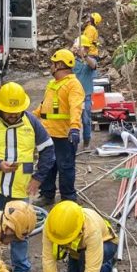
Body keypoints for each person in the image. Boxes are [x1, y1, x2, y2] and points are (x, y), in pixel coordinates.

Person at [0, 82, 55, 272]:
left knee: (20, 232)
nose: (14, 115)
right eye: (9, 111)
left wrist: (38, 178)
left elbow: (48, 151)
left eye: (17, 111)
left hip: (19, 189)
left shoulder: (32, 123)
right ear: (0, 107)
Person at [32, 49, 85, 207]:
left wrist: (74, 128)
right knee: (47, 166)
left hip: (64, 135)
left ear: (60, 65)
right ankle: (47, 195)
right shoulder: (53, 84)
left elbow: (76, 107)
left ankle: (68, 198)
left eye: (53, 63)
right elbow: (44, 107)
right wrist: (30, 117)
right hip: (47, 134)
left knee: (65, 167)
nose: (51, 66)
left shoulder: (73, 85)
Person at [73, 35, 97, 149]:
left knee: (86, 120)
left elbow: (93, 65)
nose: (85, 50)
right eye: (84, 48)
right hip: (73, 96)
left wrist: (85, 56)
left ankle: (86, 140)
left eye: (87, 48)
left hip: (86, 96)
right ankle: (73, 142)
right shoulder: (72, 61)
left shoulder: (90, 60)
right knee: (73, 120)